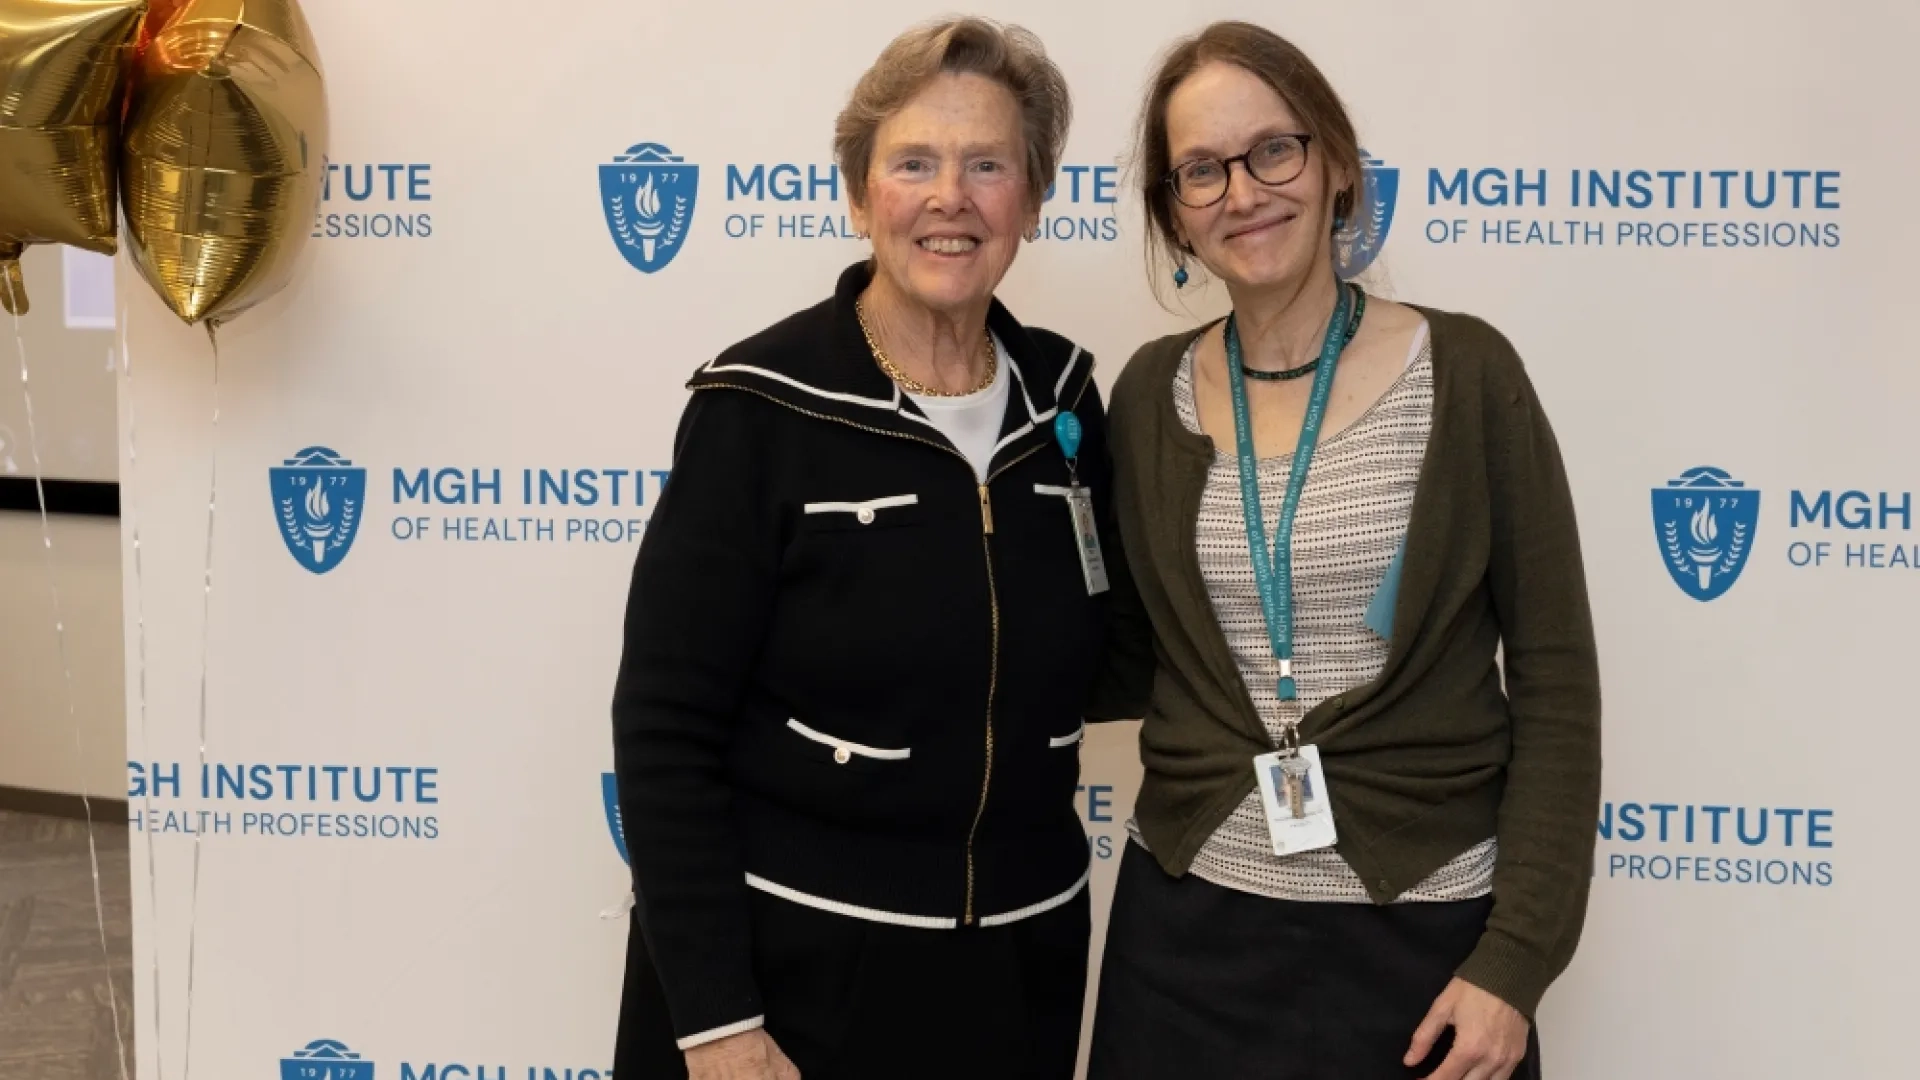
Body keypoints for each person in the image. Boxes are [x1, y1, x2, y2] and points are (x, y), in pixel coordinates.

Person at [610, 18, 1136, 1080]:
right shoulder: (756, 408)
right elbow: (665, 729)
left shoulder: (1070, 403)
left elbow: (1121, 656)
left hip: (1017, 973)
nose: (952, 197)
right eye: (914, 163)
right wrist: (716, 1021)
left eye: (988, 164)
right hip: (793, 979)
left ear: (1032, 202)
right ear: (859, 196)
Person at [1088, 21, 1602, 1080]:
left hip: (1423, 950)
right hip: (1185, 939)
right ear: (1174, 217)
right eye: (1200, 170)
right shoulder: (1145, 396)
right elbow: (1120, 653)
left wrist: (1515, 964)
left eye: (1273, 149)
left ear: (1335, 167)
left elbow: (1556, 681)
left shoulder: (1466, 375)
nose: (1243, 190)